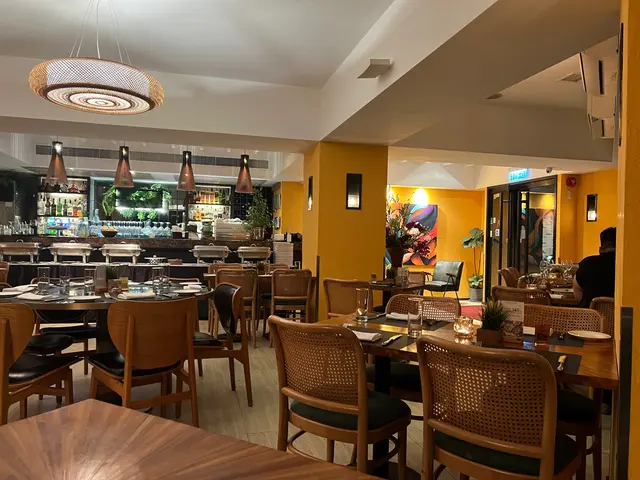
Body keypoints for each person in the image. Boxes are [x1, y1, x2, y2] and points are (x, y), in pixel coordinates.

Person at [573, 227, 616, 308]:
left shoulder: (587, 263)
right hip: (622, 315)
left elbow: (577, 295)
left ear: (600, 249)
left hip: (588, 315)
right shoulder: (628, 266)